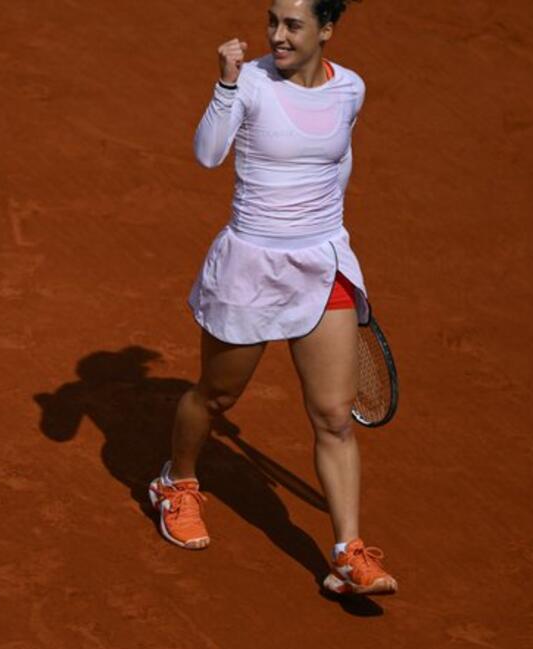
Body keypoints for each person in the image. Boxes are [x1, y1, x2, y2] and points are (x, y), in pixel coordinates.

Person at [148, 0, 398, 596]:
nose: (277, 36)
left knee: (335, 416)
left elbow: (339, 161)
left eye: (293, 25)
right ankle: (176, 482)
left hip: (322, 263)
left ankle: (347, 552)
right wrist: (226, 85)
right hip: (252, 267)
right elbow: (208, 155)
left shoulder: (350, 90)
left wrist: (324, 228)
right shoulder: (252, 82)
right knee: (218, 395)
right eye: (273, 22)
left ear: (326, 30)